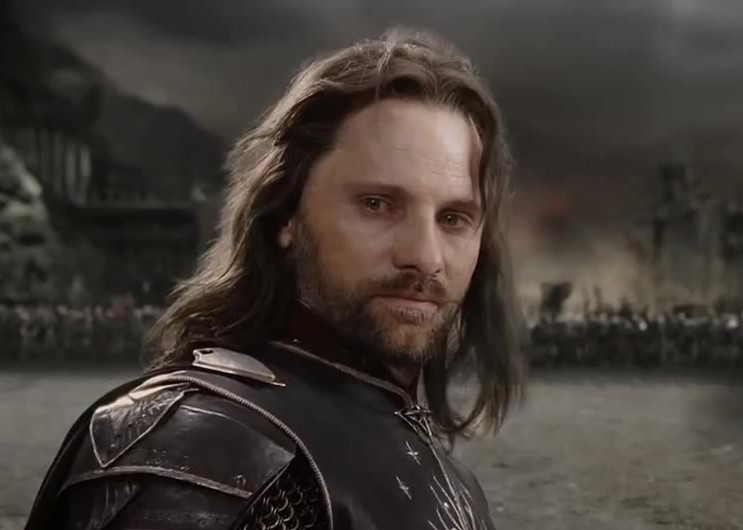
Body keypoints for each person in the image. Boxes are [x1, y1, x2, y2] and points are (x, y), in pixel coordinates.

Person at [25, 27, 526, 530]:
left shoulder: (451, 479)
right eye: (377, 205)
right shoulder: (200, 453)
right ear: (287, 215)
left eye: (453, 218)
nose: (425, 256)